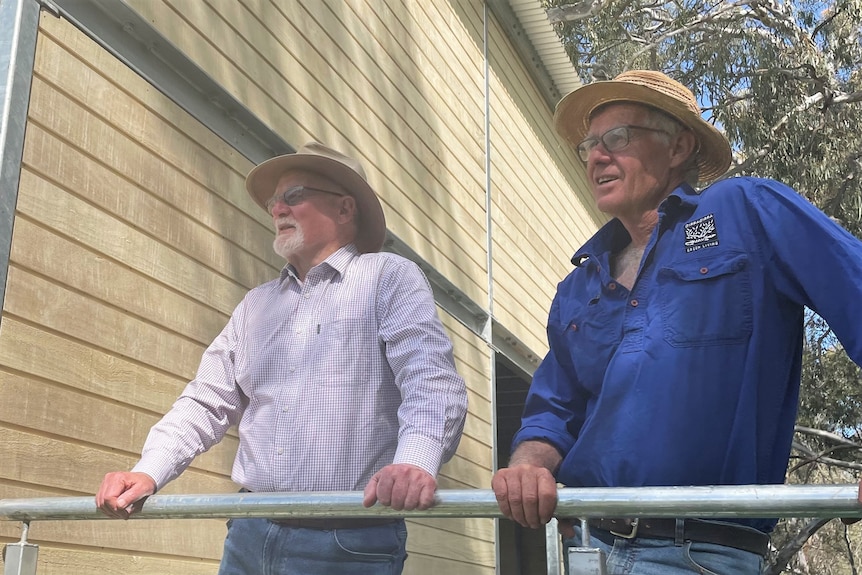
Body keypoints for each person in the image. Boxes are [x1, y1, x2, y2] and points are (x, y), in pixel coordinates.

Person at [491, 69, 862, 574]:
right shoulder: (578, 287)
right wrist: (527, 465)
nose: (598, 155)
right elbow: (554, 411)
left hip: (700, 551)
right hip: (585, 549)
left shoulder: (745, 211)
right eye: (590, 145)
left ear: (679, 145)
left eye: (618, 138)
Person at [96, 141, 468, 575]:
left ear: (345, 209)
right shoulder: (256, 305)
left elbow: (430, 382)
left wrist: (414, 463)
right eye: (274, 201)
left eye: (293, 196)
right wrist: (149, 471)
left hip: (350, 538)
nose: (277, 209)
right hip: (250, 532)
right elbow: (205, 401)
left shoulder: (388, 276)